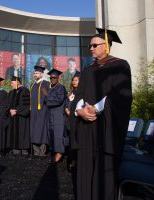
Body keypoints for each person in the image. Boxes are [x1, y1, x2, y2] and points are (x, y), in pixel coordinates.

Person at [70, 28, 132, 200]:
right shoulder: (88, 70)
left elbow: (121, 97)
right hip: (86, 129)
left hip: (106, 127)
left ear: (106, 46)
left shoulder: (120, 66)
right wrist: (80, 110)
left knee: (103, 174)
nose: (90, 48)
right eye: (89, 45)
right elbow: (79, 95)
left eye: (94, 45)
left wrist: (96, 108)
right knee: (85, 169)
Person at [43, 68, 67, 163]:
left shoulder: (61, 88)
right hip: (50, 115)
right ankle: (54, 152)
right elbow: (46, 102)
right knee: (51, 133)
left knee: (58, 134)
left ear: (58, 78)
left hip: (58, 116)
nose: (52, 79)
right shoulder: (50, 88)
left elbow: (58, 100)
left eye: (54, 78)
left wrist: (47, 95)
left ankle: (59, 153)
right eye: (51, 78)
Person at [30, 65, 50, 157]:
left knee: (42, 130)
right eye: (34, 73)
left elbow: (48, 97)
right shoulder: (33, 85)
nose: (35, 74)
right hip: (33, 112)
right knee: (34, 130)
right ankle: (35, 151)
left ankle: (42, 152)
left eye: (37, 73)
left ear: (41, 74)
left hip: (42, 111)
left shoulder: (45, 83)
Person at [7, 76, 31, 155]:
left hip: (21, 118)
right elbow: (8, 105)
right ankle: (15, 149)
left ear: (17, 82)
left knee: (22, 132)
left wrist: (16, 111)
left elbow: (27, 105)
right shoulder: (11, 92)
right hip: (13, 118)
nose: (11, 84)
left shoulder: (25, 91)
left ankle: (24, 150)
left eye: (12, 83)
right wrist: (10, 110)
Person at [64, 72, 80, 170]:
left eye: (76, 80)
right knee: (70, 140)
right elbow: (66, 104)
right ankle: (72, 160)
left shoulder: (82, 93)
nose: (74, 82)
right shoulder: (70, 93)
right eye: (73, 80)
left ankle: (77, 161)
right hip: (69, 120)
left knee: (77, 140)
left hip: (78, 120)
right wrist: (66, 109)